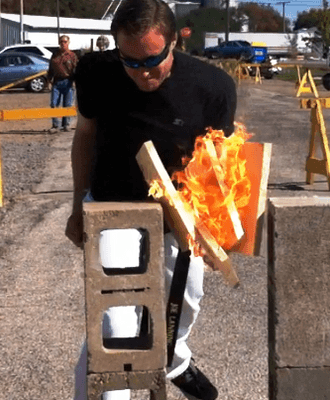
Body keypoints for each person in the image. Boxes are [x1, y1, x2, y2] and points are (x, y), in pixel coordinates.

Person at [66, 0, 237, 399]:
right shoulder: (95, 71)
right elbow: (85, 136)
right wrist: (78, 206)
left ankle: (174, 359)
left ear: (174, 41)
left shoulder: (212, 87)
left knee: (185, 302)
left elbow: (219, 161)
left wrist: (215, 226)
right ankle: (113, 391)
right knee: (116, 324)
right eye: (130, 61)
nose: (143, 72)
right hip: (115, 207)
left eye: (152, 60)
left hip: (181, 209)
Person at [47, 35, 78, 133]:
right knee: (54, 104)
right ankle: (55, 125)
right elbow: (50, 69)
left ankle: (66, 125)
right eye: (61, 42)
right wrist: (49, 81)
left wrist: (76, 82)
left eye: (65, 42)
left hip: (68, 81)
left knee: (67, 104)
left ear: (68, 43)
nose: (63, 43)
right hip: (56, 82)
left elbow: (76, 70)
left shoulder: (72, 56)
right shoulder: (55, 55)